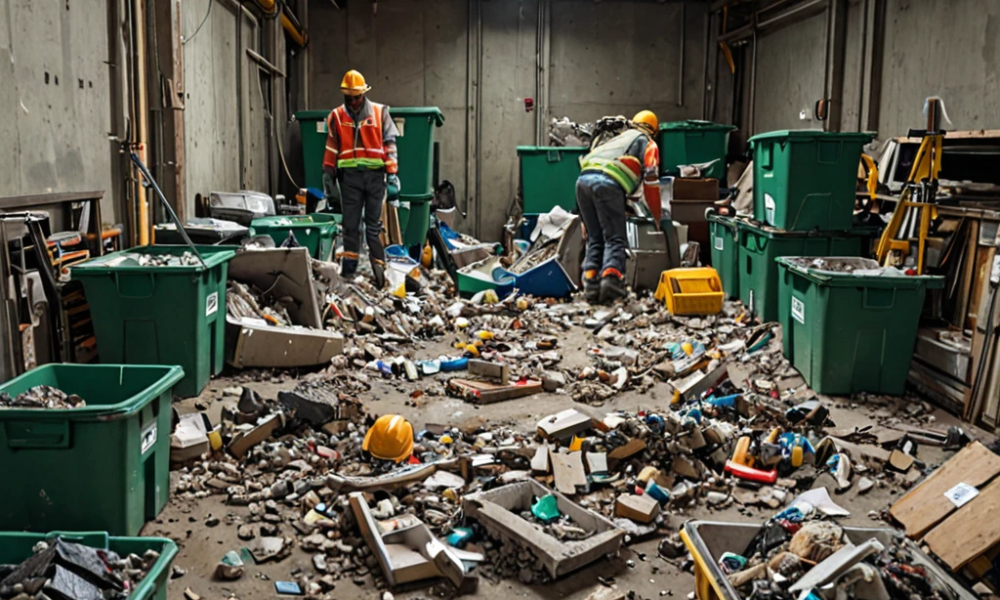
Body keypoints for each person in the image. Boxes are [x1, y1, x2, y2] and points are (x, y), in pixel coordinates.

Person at [322, 70, 401, 288]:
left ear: (363, 94)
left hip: (375, 177)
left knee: (373, 227)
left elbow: (390, 145)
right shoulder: (336, 116)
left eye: (356, 97)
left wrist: (392, 175)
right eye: (349, 98)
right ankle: (348, 274)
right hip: (350, 179)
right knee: (350, 226)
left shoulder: (380, 112)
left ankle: (380, 275)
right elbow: (331, 147)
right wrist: (328, 174)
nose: (353, 102)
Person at [576, 110, 661, 304]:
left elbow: (593, 168)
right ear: (655, 131)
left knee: (595, 237)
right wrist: (656, 217)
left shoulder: (617, 139)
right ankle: (611, 284)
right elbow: (651, 181)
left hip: (582, 183)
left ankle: (591, 284)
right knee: (615, 238)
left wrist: (580, 215)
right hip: (607, 184)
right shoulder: (648, 143)